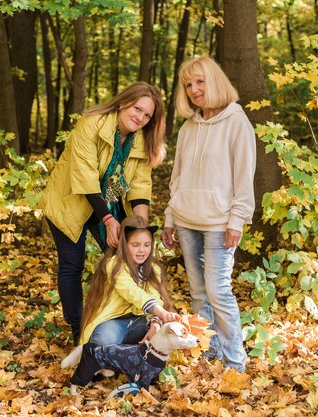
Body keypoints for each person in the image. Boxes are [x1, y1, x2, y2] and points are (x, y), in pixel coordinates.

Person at [42, 82, 166, 342]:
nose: (140, 118)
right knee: (71, 265)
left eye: (147, 115)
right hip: (69, 200)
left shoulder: (141, 139)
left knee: (129, 259)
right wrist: (109, 220)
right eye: (137, 109)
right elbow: (85, 177)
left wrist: (140, 228)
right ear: (123, 103)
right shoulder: (91, 123)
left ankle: (129, 322)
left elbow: (140, 184)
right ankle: (79, 332)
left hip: (108, 201)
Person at [161, 56, 256, 372]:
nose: (194, 89)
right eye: (188, 85)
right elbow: (179, 177)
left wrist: (237, 219)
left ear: (214, 81)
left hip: (219, 223)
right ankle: (210, 352)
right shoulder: (189, 127)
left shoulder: (236, 121)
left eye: (199, 81)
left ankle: (234, 362)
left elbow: (244, 175)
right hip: (187, 220)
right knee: (199, 294)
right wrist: (170, 218)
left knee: (218, 293)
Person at [79, 215, 179, 346]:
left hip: (141, 321)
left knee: (169, 329)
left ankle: (137, 353)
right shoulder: (113, 264)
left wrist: (156, 323)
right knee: (101, 340)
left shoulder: (153, 268)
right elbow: (131, 291)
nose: (142, 250)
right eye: (135, 245)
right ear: (124, 244)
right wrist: (160, 312)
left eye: (147, 245)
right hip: (113, 321)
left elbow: (154, 294)